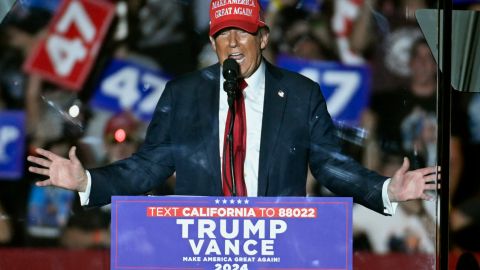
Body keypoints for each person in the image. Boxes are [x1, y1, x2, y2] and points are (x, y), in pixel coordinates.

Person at [27, 0, 438, 215]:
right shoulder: (182, 94)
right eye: (224, 34)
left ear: (263, 37)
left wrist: (385, 189)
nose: (234, 43)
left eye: (243, 32)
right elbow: (150, 166)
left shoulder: (300, 94)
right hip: (201, 246)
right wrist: (87, 183)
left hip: (275, 246)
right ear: (212, 44)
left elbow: (329, 165)